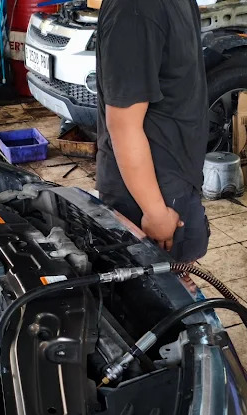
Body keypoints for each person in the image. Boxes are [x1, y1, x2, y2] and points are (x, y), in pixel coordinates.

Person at [96, 0, 210, 263]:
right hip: (148, 196)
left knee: (180, 288)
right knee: (158, 298)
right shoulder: (135, 9)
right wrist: (156, 212)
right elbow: (124, 125)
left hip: (178, 178)